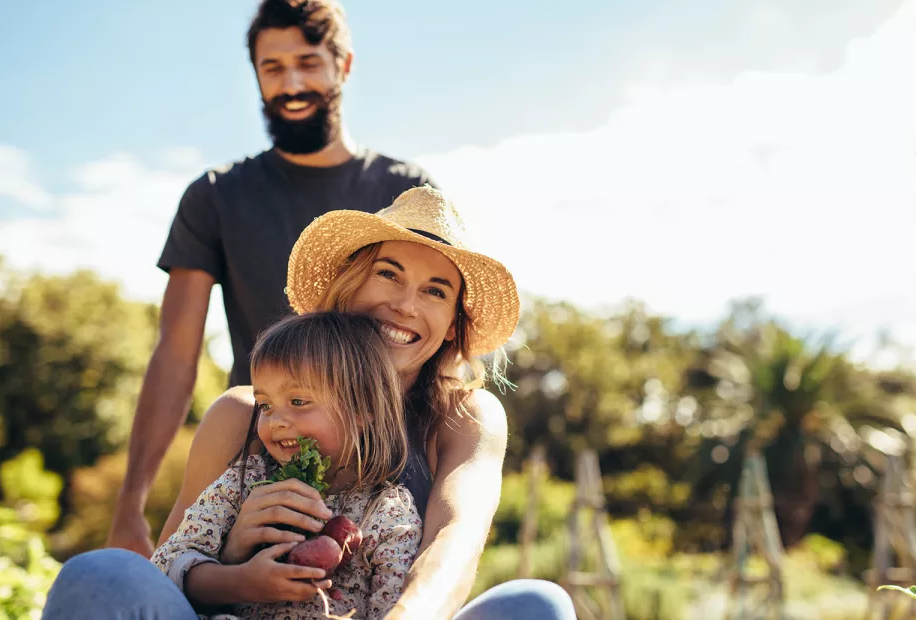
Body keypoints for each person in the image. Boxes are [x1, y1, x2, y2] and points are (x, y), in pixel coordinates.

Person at [42, 186, 575, 619]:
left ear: (453, 324)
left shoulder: (464, 416)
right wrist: (231, 559)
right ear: (346, 285)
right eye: (388, 273)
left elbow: (453, 542)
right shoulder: (241, 414)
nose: (405, 304)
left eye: (436, 291)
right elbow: (167, 570)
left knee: (537, 605)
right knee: (100, 574)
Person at [106, 0, 435, 559]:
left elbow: (431, 333)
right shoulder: (216, 196)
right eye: (273, 68)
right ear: (256, 75)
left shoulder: (404, 191)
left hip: (383, 461)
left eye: (308, 62)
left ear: (344, 66)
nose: (292, 83)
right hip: (260, 452)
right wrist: (131, 501)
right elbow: (176, 354)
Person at [150, 311, 421, 619]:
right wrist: (239, 580)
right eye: (265, 405)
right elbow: (162, 570)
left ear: (364, 407)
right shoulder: (244, 484)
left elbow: (395, 605)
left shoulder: (387, 513)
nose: (276, 421)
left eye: (298, 402)